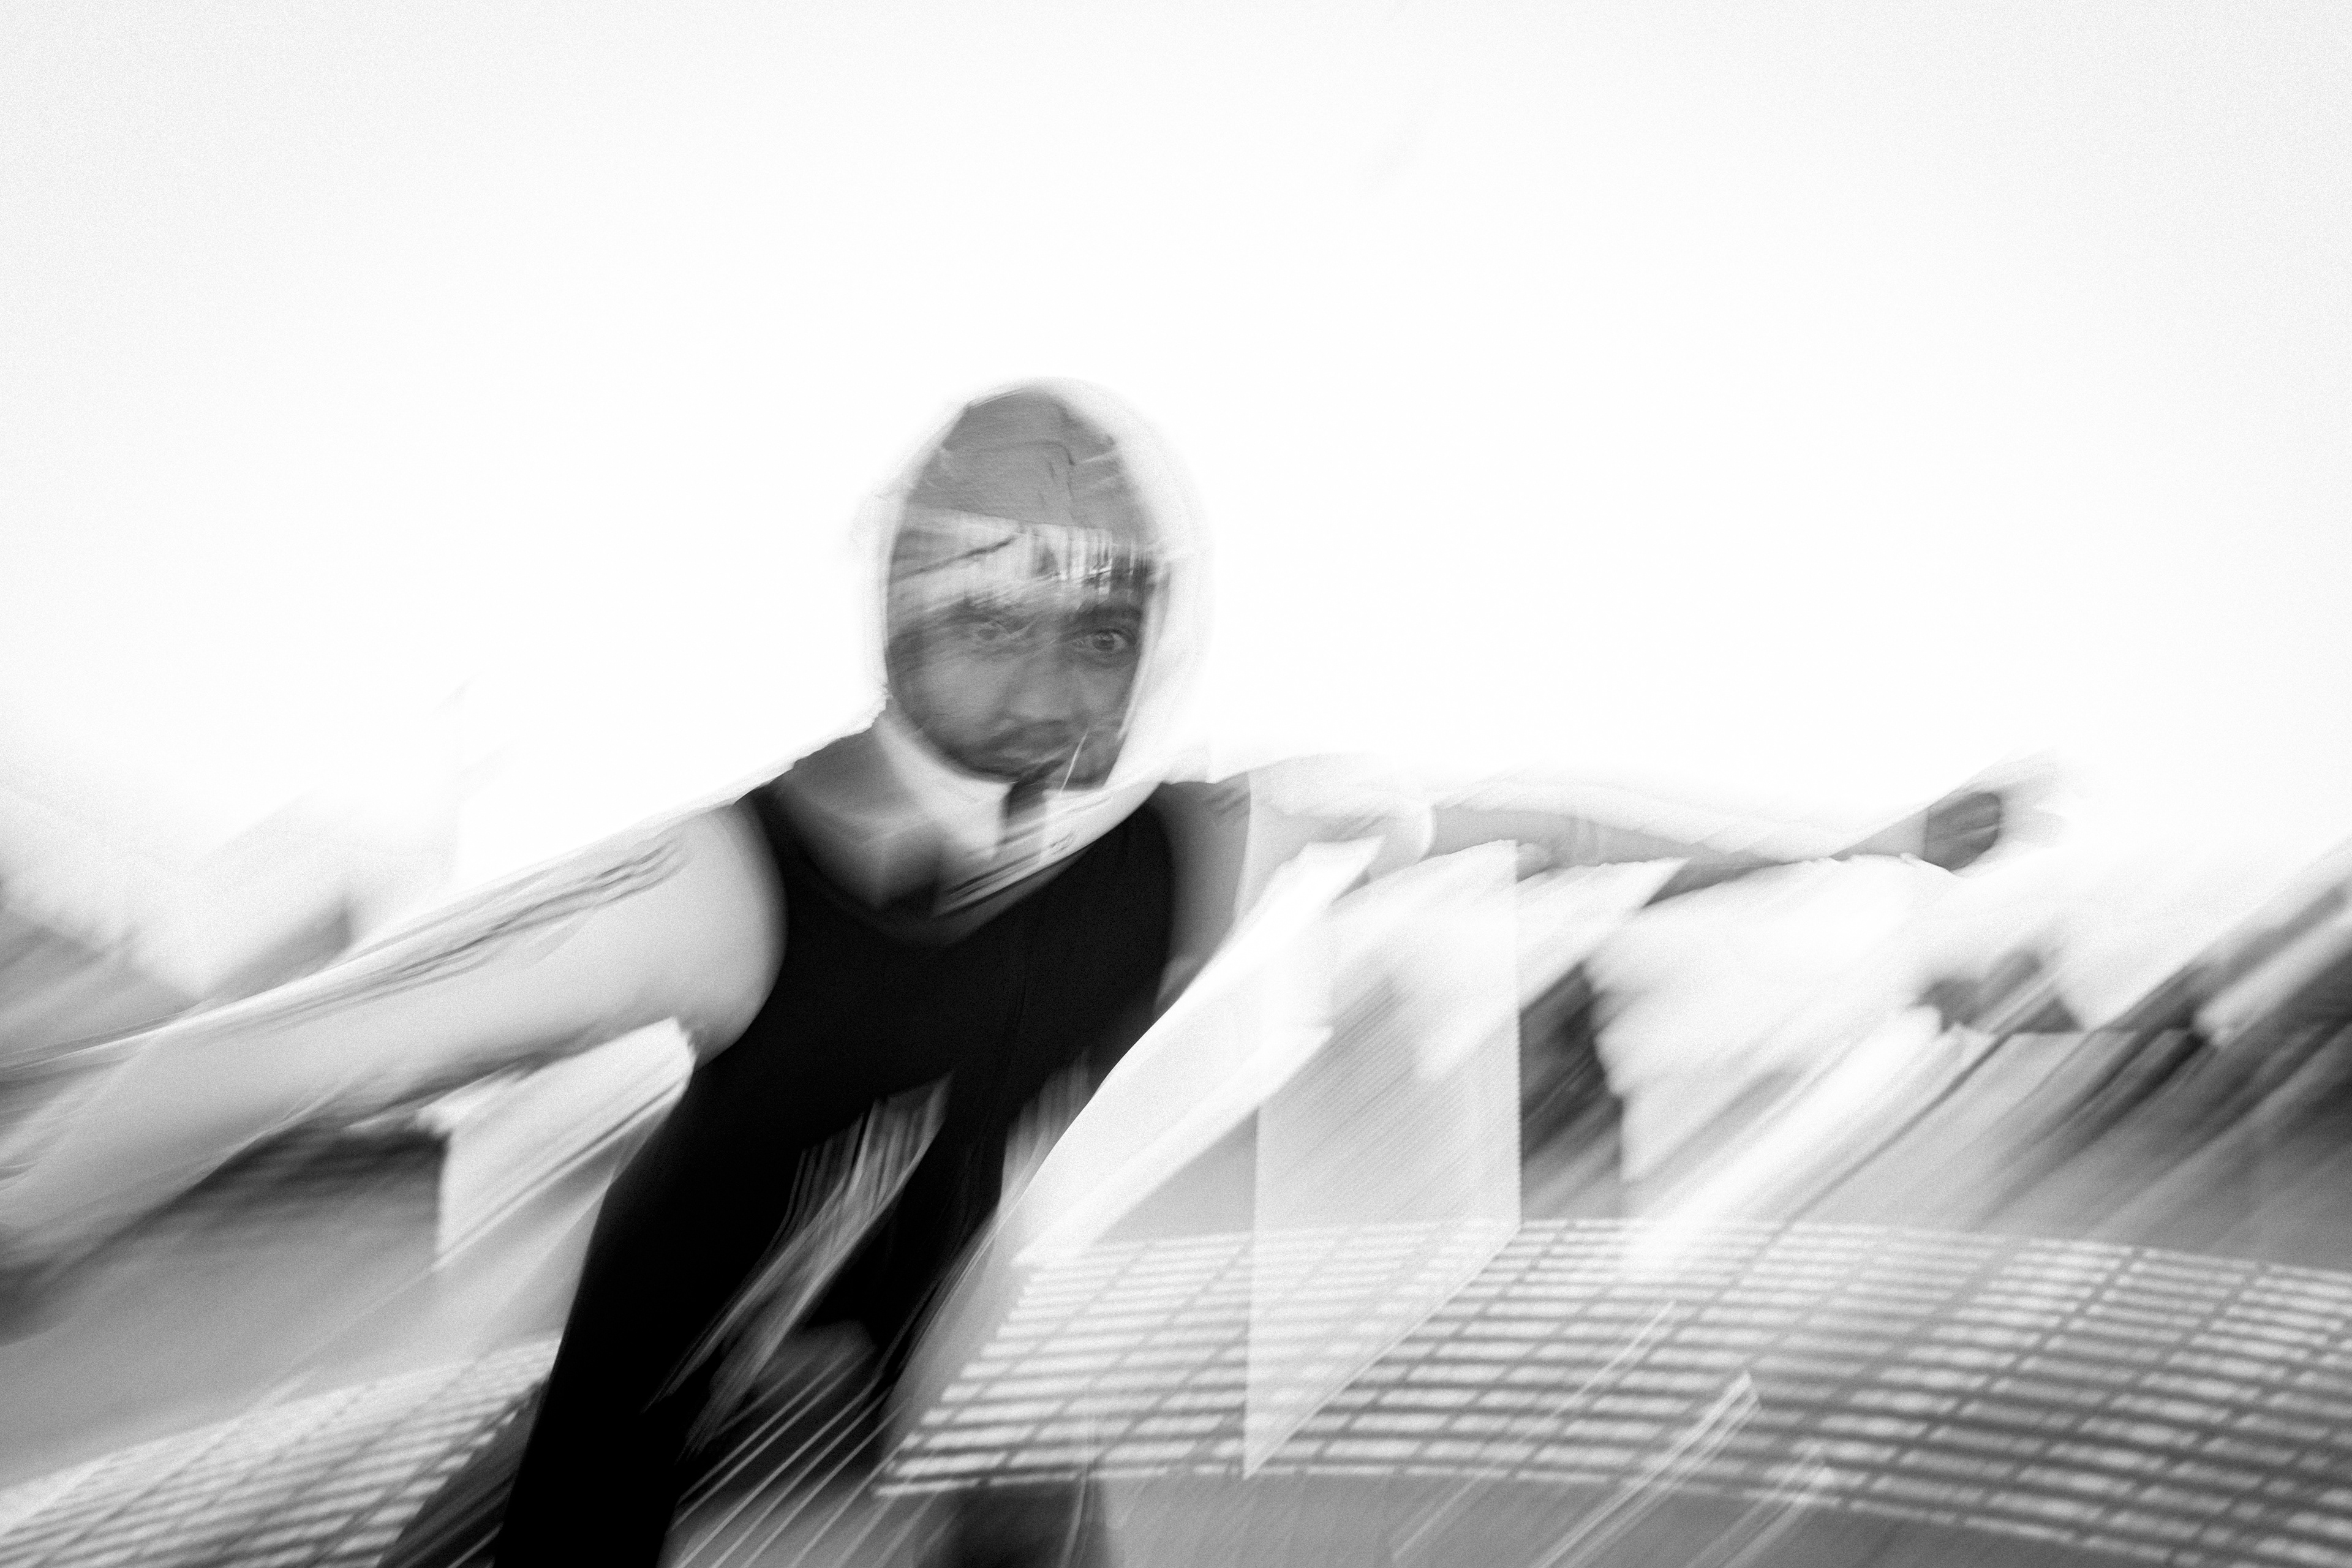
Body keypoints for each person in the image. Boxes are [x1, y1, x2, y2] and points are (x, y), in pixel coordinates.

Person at [0, 381, 2007, 1566]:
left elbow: (1526, 815)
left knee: (1017, 1499)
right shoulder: (738, 883)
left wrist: (1859, 840)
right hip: (662, 1388)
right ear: (914, 617)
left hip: (926, 1355)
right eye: (1002, 618)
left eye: (1086, 626)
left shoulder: (1194, 845)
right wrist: (31, 1213)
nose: (1049, 675)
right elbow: (303, 1050)